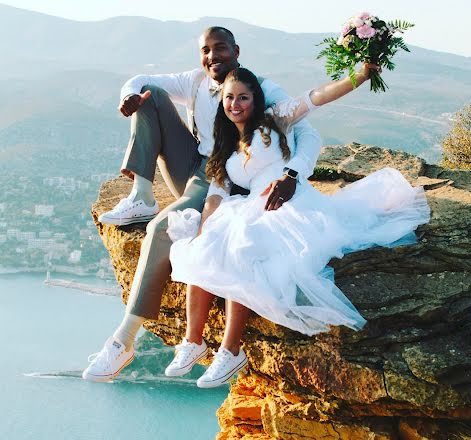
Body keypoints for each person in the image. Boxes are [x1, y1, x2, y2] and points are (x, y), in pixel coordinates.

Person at [163, 67, 430, 388]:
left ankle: (231, 350)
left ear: (256, 99)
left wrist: (359, 76)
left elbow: (316, 97)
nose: (235, 104)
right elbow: (216, 196)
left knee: (244, 249)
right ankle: (193, 342)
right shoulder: (225, 146)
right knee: (202, 250)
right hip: (254, 207)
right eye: (229, 98)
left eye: (243, 97)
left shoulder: (273, 120)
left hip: (291, 202)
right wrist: (203, 231)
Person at [82, 26, 322, 382]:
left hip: (220, 176)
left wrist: (292, 174)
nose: (212, 57)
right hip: (193, 164)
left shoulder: (260, 89)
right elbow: (140, 78)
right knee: (151, 96)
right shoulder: (195, 81)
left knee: (161, 229)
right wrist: (131, 93)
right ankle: (143, 194)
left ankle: (123, 340)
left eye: (220, 48)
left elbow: (308, 133)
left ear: (236, 50)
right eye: (206, 50)